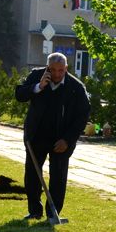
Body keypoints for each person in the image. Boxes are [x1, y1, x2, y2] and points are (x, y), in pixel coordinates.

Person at [15, 52, 91, 220]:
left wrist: (68, 139)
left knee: (58, 176)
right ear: (48, 67)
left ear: (66, 68)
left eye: (61, 70)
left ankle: (54, 213)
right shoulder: (36, 75)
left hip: (61, 139)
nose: (57, 74)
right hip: (37, 136)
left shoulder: (75, 87)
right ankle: (34, 211)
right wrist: (38, 86)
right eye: (53, 70)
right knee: (33, 174)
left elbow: (82, 115)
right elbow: (20, 94)